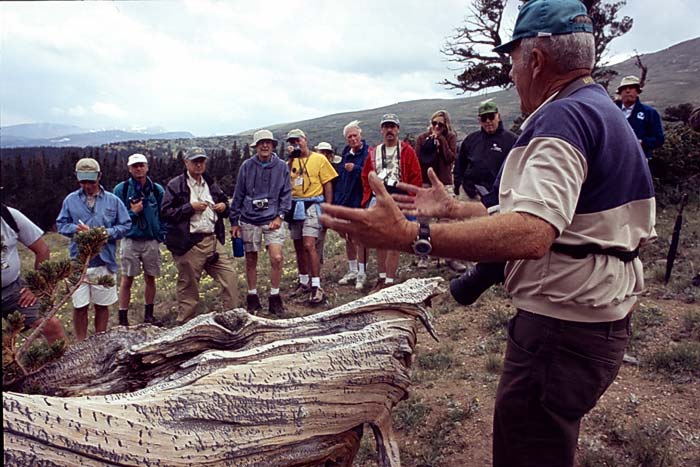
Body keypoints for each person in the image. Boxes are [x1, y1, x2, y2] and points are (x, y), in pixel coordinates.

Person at [321, 1, 656, 466]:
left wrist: (412, 236)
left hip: (561, 326)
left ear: (535, 60)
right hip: (595, 317)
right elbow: (557, 211)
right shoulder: (599, 110)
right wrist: (457, 209)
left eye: (513, 60)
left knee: (528, 452)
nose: (512, 74)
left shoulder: (562, 118)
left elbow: (533, 232)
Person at [56, 158, 131, 341]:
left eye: (91, 181)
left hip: (104, 262)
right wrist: (76, 229)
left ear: (100, 176)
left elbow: (126, 225)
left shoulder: (113, 201)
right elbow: (61, 224)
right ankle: (81, 343)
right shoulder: (70, 200)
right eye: (83, 181)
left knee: (101, 305)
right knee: (80, 306)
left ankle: (99, 341)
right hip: (78, 262)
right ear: (77, 179)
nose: (88, 185)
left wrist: (106, 233)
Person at [161, 147, 239, 324]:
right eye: (195, 161)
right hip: (189, 244)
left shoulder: (210, 183)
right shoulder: (176, 185)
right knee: (189, 288)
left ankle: (233, 320)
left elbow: (225, 204)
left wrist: (223, 207)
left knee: (230, 277)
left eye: (202, 161)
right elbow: (165, 213)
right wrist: (190, 208)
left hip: (212, 240)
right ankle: (185, 325)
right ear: (186, 163)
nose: (199, 165)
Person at [230, 130, 291, 316]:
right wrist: (234, 221)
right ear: (255, 146)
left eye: (268, 142)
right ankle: (252, 296)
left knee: (277, 257)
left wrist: (280, 216)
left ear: (272, 145)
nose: (264, 146)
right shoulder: (247, 166)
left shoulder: (281, 166)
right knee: (251, 258)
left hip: (273, 217)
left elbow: (287, 194)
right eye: (260, 143)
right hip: (249, 218)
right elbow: (238, 194)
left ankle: (274, 296)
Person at [360, 113, 422, 291]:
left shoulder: (407, 151)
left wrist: (409, 197)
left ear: (398, 129)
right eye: (386, 127)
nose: (389, 130)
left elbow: (416, 176)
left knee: (394, 240)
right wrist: (367, 198)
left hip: (399, 197)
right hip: (379, 198)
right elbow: (365, 176)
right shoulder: (374, 152)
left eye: (392, 126)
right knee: (380, 240)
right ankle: (381, 277)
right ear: (381, 130)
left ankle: (389, 281)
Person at [285, 129, 338, 305]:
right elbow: (284, 182)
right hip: (295, 206)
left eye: (298, 140)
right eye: (292, 142)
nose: (296, 144)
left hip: (313, 205)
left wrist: (328, 209)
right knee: (299, 246)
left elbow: (328, 184)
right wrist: (291, 159)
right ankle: (303, 281)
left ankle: (316, 285)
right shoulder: (291, 162)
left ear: (305, 139)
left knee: (309, 244)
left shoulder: (319, 159)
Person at [113, 153, 166, 326]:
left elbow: (164, 213)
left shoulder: (157, 190)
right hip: (130, 240)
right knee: (127, 279)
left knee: (150, 277)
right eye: (135, 166)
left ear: (147, 167)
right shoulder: (121, 190)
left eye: (141, 165)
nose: (138, 168)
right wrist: (133, 212)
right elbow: (117, 219)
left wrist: (161, 233)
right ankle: (123, 319)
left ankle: (149, 315)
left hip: (151, 240)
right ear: (129, 168)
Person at [2, 204, 65, 343]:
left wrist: (35, 287)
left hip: (12, 288)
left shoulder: (9, 216)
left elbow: (42, 250)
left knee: (51, 326)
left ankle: (65, 364)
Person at [415, 110, 462, 271]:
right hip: (426, 183)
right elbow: (419, 159)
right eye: (434, 123)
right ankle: (423, 255)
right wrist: (430, 143)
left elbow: (450, 158)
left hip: (444, 182)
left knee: (446, 220)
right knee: (423, 220)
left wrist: (441, 140)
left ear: (445, 125)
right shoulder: (422, 138)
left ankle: (447, 256)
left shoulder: (450, 138)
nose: (436, 127)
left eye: (440, 124)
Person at [453, 100, 517, 201]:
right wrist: (458, 186)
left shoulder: (511, 140)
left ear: (498, 117)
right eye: (484, 118)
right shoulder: (471, 139)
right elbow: (460, 164)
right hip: (470, 194)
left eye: (491, 116)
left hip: (498, 196)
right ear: (479, 120)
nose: (488, 121)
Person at [334, 120, 369, 290]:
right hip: (346, 200)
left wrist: (355, 168)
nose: (353, 139)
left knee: (360, 237)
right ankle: (352, 269)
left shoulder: (368, 152)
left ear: (360, 135)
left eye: (355, 135)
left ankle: (362, 272)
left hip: (361, 200)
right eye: (349, 137)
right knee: (348, 236)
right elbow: (341, 177)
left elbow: (370, 173)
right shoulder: (346, 152)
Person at [615, 75, 665, 160]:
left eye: (631, 88)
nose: (628, 91)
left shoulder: (650, 113)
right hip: (614, 159)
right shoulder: (611, 111)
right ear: (620, 92)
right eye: (624, 88)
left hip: (640, 160)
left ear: (637, 91)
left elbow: (659, 139)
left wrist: (642, 142)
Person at [314, 141, 339, 266]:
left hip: (327, 208)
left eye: (327, 153)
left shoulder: (336, 168)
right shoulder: (313, 166)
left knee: (319, 239)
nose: (324, 155)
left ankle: (315, 268)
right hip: (314, 206)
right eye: (322, 152)